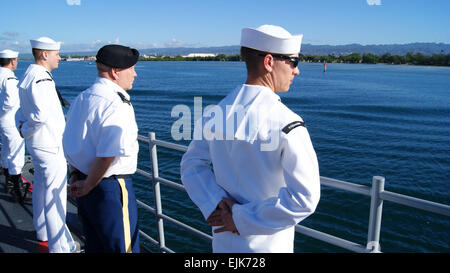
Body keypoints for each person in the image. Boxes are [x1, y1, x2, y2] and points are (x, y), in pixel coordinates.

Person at [180, 25, 321, 253]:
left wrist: (214, 202)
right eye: (293, 62)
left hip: (223, 243)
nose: (297, 71)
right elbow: (304, 198)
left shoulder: (215, 113)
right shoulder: (289, 124)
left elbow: (191, 165)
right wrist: (240, 218)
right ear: (268, 62)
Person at [63, 44, 140, 253]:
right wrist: (88, 184)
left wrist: (75, 176)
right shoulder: (115, 104)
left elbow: (70, 143)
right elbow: (108, 155)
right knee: (122, 249)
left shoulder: (82, 98)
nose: (135, 73)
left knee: (95, 247)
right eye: (131, 68)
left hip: (84, 182)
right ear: (116, 72)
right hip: (110, 189)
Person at [18, 37, 77, 253]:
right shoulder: (41, 79)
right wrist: (25, 129)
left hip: (39, 145)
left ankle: (42, 230)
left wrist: (22, 128)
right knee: (55, 196)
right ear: (44, 55)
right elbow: (40, 116)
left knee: (42, 189)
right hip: (50, 145)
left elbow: (21, 111)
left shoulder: (29, 74)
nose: (59, 57)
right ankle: (60, 247)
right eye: (56, 54)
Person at [0, 49, 25, 202]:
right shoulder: (9, 78)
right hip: (9, 120)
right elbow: (10, 101)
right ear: (12, 61)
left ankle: (9, 182)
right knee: (16, 152)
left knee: (6, 149)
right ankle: (18, 190)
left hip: (3, 122)